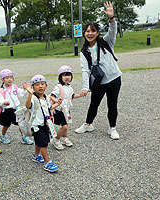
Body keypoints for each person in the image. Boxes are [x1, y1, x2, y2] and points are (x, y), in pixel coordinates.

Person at [75, 1, 122, 140]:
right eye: (87, 31)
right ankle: (88, 124)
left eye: (93, 31)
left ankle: (112, 128)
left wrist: (111, 17)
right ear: (84, 33)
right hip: (98, 82)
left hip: (114, 79)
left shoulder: (107, 42)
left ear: (97, 32)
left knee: (112, 104)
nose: (90, 33)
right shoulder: (84, 51)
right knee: (94, 103)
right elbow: (84, 70)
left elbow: (113, 30)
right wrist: (85, 87)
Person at [26, 75, 62, 173]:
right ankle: (47, 162)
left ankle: (36, 155)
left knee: (39, 142)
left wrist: (57, 104)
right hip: (36, 126)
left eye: (42, 84)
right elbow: (28, 105)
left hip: (45, 124)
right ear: (33, 88)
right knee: (44, 144)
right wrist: (29, 94)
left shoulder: (45, 97)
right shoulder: (33, 98)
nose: (40, 86)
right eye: (37, 85)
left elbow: (49, 108)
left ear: (46, 86)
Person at [50, 65, 83, 150]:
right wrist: (57, 101)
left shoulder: (69, 87)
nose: (67, 77)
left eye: (68, 75)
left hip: (66, 109)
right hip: (59, 109)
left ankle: (64, 138)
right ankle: (56, 139)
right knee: (64, 126)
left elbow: (71, 96)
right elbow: (51, 96)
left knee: (66, 124)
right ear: (60, 77)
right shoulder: (58, 87)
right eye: (64, 75)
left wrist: (80, 95)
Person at [0, 69, 33, 145]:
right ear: (2, 79)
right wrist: (4, 102)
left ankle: (24, 137)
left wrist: (24, 89)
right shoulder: (1, 90)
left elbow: (20, 94)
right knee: (6, 125)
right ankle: (2, 136)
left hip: (16, 109)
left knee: (21, 124)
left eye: (11, 77)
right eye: (7, 78)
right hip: (7, 111)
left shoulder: (14, 87)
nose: (9, 79)